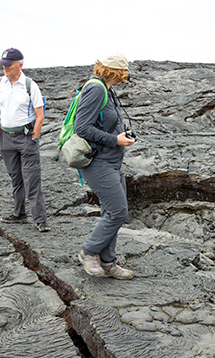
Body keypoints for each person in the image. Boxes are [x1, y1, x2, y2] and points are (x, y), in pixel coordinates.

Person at [75, 53, 136, 280]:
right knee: (119, 212)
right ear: (118, 72)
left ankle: (108, 262)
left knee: (112, 211)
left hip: (113, 160)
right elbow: (82, 127)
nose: (126, 76)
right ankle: (89, 252)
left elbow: (105, 122)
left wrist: (122, 135)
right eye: (125, 72)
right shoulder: (96, 89)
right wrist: (115, 140)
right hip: (98, 161)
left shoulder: (108, 90)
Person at [0, 48, 50, 232]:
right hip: (6, 139)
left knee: (32, 180)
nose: (5, 68)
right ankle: (19, 213)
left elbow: (40, 115)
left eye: (9, 65)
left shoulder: (30, 85)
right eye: (3, 65)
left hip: (26, 138)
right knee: (16, 178)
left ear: (20, 65)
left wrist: (35, 137)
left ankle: (40, 220)